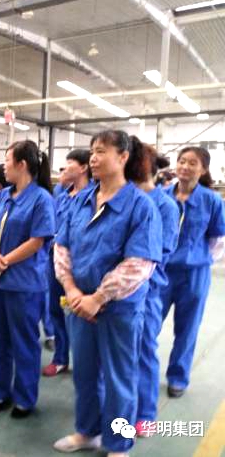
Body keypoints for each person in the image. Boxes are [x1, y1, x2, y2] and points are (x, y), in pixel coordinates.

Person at [53, 130, 162, 456]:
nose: (93, 158)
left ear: (123, 157)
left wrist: (98, 297)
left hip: (117, 310)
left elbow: (139, 264)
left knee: (119, 379)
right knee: (85, 374)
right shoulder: (81, 201)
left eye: (101, 151)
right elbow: (61, 247)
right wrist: (72, 289)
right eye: (92, 151)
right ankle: (87, 432)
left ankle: (118, 444)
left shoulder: (140, 206)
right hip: (79, 304)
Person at [0, 141, 56, 417]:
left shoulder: (41, 199)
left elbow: (37, 240)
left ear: (21, 164)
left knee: (24, 342)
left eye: (7, 160)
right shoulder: (2, 196)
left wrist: (5, 260)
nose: (3, 166)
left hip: (24, 282)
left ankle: (25, 398)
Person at [160, 146, 225, 398]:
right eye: (182, 161)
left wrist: (200, 259)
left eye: (192, 163)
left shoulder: (211, 200)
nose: (185, 167)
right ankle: (140, 371)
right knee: (148, 324)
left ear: (203, 169)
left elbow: (218, 239)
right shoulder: (162, 196)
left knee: (187, 328)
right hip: (162, 272)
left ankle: (178, 376)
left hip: (194, 275)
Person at [128, 138, 179, 435]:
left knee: (144, 351)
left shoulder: (164, 206)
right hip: (114, 292)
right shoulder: (120, 197)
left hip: (146, 291)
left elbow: (161, 253)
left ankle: (145, 414)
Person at [42, 149, 92, 378]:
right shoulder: (62, 196)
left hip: (81, 264)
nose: (64, 168)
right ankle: (61, 358)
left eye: (70, 163)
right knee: (56, 309)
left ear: (83, 167)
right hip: (56, 261)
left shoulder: (94, 197)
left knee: (81, 313)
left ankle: (85, 362)